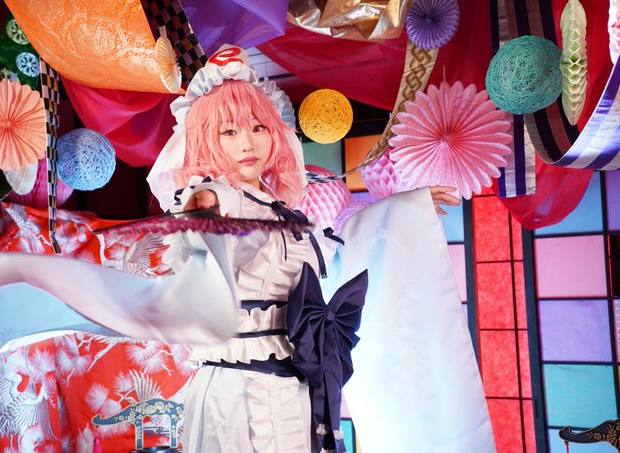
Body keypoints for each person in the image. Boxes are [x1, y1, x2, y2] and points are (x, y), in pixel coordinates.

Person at [147, 45, 492, 453]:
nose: (248, 143)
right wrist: (203, 214)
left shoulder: (285, 211)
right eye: (229, 132)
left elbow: (341, 254)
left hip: (299, 381)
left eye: (258, 127)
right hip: (238, 389)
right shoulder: (216, 195)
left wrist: (406, 209)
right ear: (207, 138)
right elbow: (203, 232)